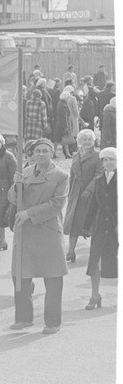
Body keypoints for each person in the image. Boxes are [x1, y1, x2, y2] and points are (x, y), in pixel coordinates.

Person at [9, 138, 69, 335]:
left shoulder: (60, 175)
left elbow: (56, 205)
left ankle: (53, 321)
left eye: (45, 150)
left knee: (52, 278)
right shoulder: (24, 172)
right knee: (20, 276)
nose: (41, 154)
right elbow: (13, 198)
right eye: (38, 151)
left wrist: (29, 214)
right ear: (32, 153)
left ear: (52, 153)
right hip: (25, 232)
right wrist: (16, 186)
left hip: (48, 231)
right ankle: (23, 318)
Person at [82, 147, 117, 309]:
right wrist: (86, 225)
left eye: (112, 159)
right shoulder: (98, 180)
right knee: (94, 261)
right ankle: (95, 295)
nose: (108, 163)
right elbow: (93, 204)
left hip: (116, 228)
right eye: (105, 160)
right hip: (100, 226)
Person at [64, 129, 102, 263]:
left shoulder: (98, 156)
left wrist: (89, 190)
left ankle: (95, 254)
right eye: (84, 140)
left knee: (90, 223)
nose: (86, 142)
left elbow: (99, 175)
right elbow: (72, 176)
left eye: (89, 140)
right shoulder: (76, 155)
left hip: (90, 195)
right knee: (74, 223)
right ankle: (70, 251)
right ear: (79, 141)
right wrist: (69, 193)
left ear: (94, 141)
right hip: (76, 194)